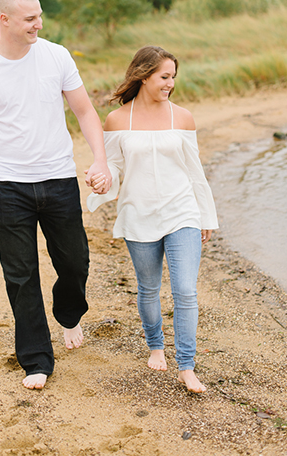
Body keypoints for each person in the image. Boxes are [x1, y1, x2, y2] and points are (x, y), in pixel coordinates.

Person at [0, 0, 112, 391]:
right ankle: (37, 359)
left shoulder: (56, 55)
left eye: (40, 15)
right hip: (9, 188)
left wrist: (100, 160)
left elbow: (84, 110)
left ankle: (69, 313)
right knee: (21, 275)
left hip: (59, 179)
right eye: (30, 18)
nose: (38, 24)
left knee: (75, 262)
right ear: (4, 19)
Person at [87, 45, 218, 394]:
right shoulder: (117, 120)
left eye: (173, 77)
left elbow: (195, 171)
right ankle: (156, 345)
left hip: (182, 213)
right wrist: (101, 180)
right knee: (148, 289)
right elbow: (113, 168)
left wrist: (206, 215)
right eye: (164, 76)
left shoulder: (183, 117)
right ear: (144, 76)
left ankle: (187, 366)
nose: (170, 84)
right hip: (138, 215)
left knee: (186, 291)